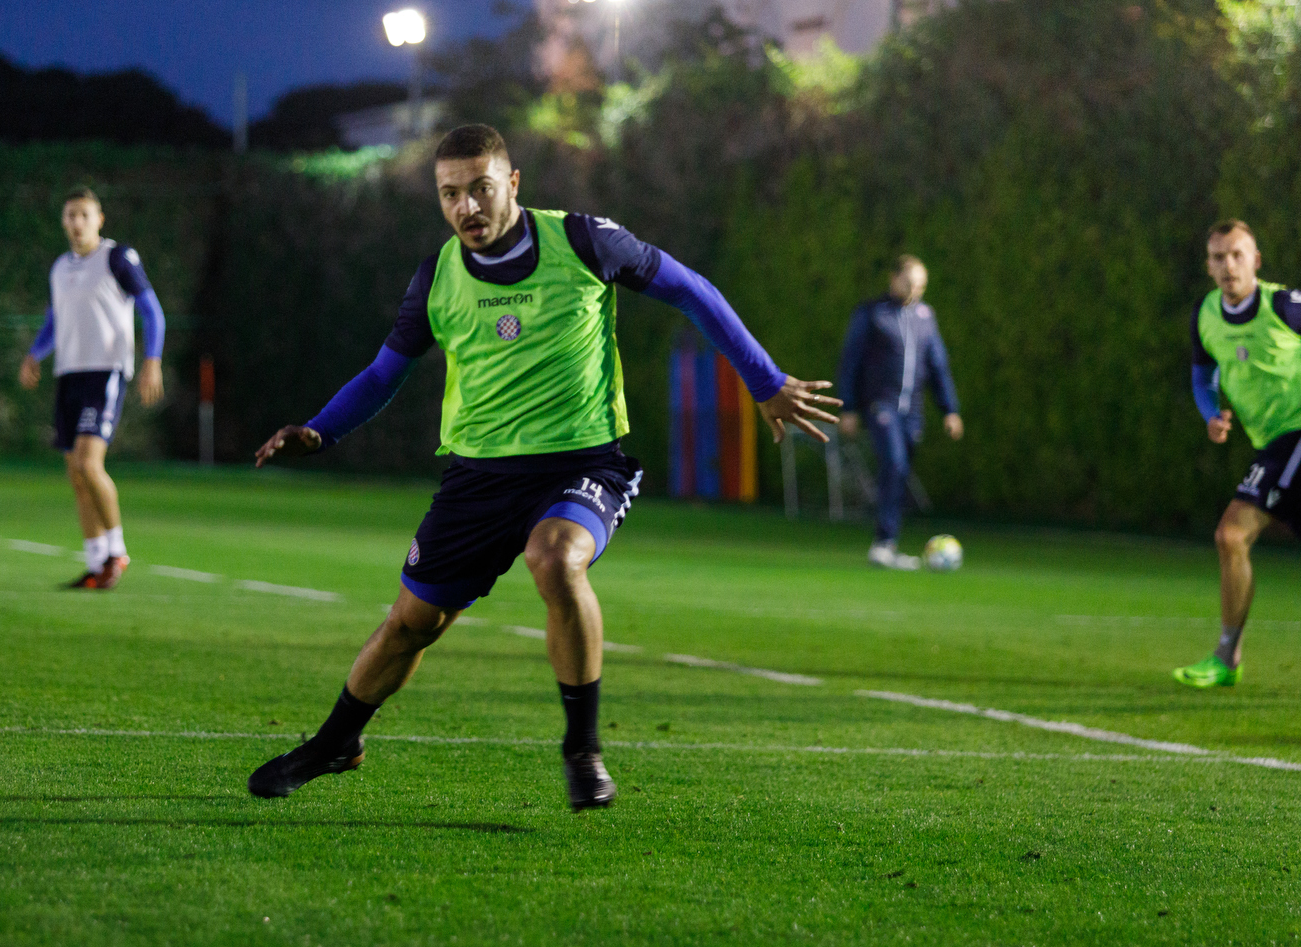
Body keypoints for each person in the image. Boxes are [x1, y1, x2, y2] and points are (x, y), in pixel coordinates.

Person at [245, 124, 841, 809]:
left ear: (514, 183)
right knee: (412, 623)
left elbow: (691, 289)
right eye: (449, 195)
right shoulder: (437, 276)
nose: (466, 207)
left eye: (480, 189)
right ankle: (335, 744)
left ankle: (583, 750)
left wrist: (764, 380)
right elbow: (384, 374)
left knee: (556, 559)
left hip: (580, 465)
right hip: (477, 477)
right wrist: (318, 431)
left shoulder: (584, 242)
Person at [1174, 220, 1301, 688]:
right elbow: (1202, 376)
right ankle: (1227, 658)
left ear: (1257, 260)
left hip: (1297, 433)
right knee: (1231, 538)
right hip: (1272, 443)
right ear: (1208, 266)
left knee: (1232, 533)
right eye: (1219, 257)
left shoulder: (1284, 305)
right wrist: (1210, 413)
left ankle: (1227, 658)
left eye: (1238, 255)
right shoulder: (1205, 315)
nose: (1229, 265)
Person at [19, 186, 165, 590]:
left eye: (84, 214)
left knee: (88, 463)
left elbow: (152, 309)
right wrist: (35, 353)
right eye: (70, 215)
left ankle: (116, 550)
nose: (77, 222)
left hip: (105, 373)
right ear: (63, 222)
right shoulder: (59, 268)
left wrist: (152, 360)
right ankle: (97, 562)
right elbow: (54, 322)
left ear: (99, 219)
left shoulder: (117, 258)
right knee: (75, 474)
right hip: (69, 375)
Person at [837, 255, 964, 569]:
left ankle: (888, 544)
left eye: (920, 285)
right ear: (893, 279)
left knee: (900, 471)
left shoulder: (925, 317)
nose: (915, 290)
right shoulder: (872, 313)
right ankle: (883, 543)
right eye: (909, 283)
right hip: (881, 406)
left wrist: (950, 409)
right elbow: (849, 361)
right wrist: (849, 407)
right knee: (893, 463)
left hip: (912, 412)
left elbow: (938, 366)